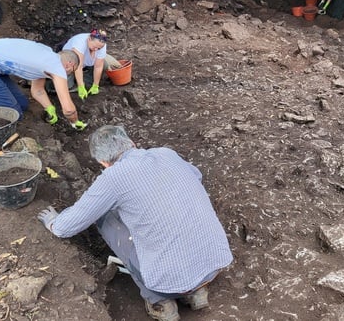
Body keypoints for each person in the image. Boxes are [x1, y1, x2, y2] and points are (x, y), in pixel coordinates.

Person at [38, 125, 233, 321]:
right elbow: (196, 176)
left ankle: (160, 302)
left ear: (103, 162)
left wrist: (54, 222)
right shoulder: (166, 153)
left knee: (103, 217)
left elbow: (68, 226)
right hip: (214, 261)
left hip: (168, 281)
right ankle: (197, 292)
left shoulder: (113, 178)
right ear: (131, 143)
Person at [61, 29, 109, 100]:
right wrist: (81, 86)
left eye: (98, 48)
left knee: (104, 65)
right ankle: (74, 81)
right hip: (70, 64)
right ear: (89, 39)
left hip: (85, 64)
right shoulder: (79, 43)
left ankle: (82, 79)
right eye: (94, 47)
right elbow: (78, 66)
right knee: (67, 85)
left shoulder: (101, 44)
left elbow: (98, 67)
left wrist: (96, 85)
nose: (96, 49)